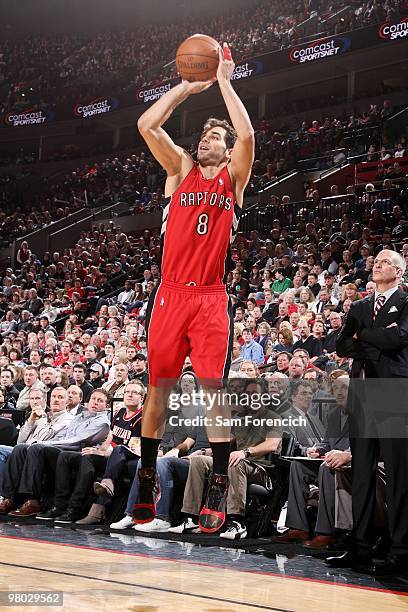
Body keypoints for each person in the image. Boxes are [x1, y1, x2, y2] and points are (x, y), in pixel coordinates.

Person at [134, 42, 254, 533]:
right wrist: (186, 86)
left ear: (226, 152)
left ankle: (220, 483)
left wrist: (224, 79)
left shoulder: (233, 179)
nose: (207, 140)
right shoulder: (179, 171)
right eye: (203, 136)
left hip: (209, 297)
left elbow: (246, 131)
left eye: (214, 137)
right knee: (157, 391)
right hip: (169, 294)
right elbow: (147, 125)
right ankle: (146, 477)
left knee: (212, 392)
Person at [327, 249, 408, 575]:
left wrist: (362, 336)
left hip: (393, 393)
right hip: (361, 392)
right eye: (376, 261)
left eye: (386, 261)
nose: (378, 264)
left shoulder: (405, 302)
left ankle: (401, 550)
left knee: (400, 477)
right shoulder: (360, 306)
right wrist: (373, 337)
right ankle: (358, 547)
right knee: (361, 472)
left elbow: (399, 337)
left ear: (400, 272)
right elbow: (341, 345)